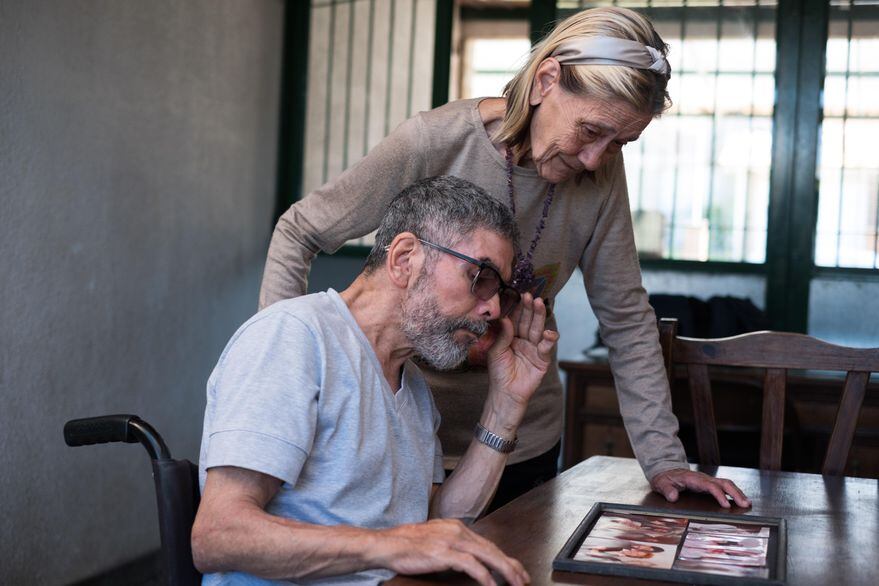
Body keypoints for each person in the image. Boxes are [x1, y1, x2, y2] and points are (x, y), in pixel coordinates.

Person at [259, 6, 749, 509]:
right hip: (399, 438)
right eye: (589, 131)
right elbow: (301, 231)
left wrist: (664, 458)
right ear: (545, 80)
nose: (594, 160)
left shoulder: (601, 172)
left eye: (621, 142)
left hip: (519, 440)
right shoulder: (436, 141)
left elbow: (625, 317)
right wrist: (284, 383)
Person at [192, 176, 559, 585]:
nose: (493, 309)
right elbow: (217, 536)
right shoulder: (294, 337)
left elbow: (438, 526)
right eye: (481, 277)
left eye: (500, 292)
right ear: (405, 258)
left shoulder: (414, 386)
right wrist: (392, 544)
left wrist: (505, 406)